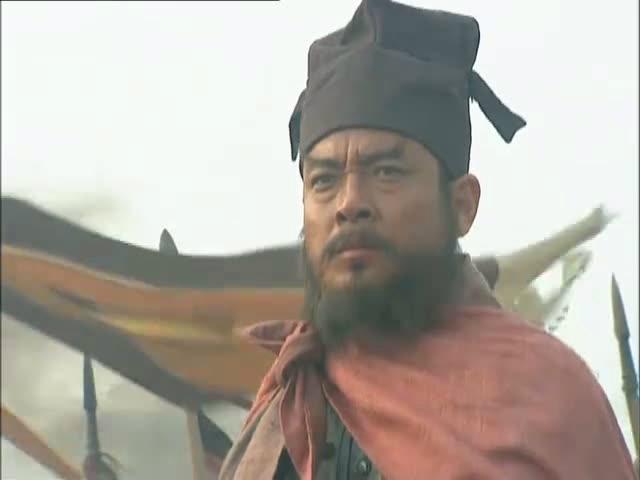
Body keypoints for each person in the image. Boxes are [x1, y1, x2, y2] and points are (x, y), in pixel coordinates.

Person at [219, 0, 636, 478]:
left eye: (386, 172)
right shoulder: (288, 405)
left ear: (462, 205)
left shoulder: (549, 398)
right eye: (324, 180)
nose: (349, 203)